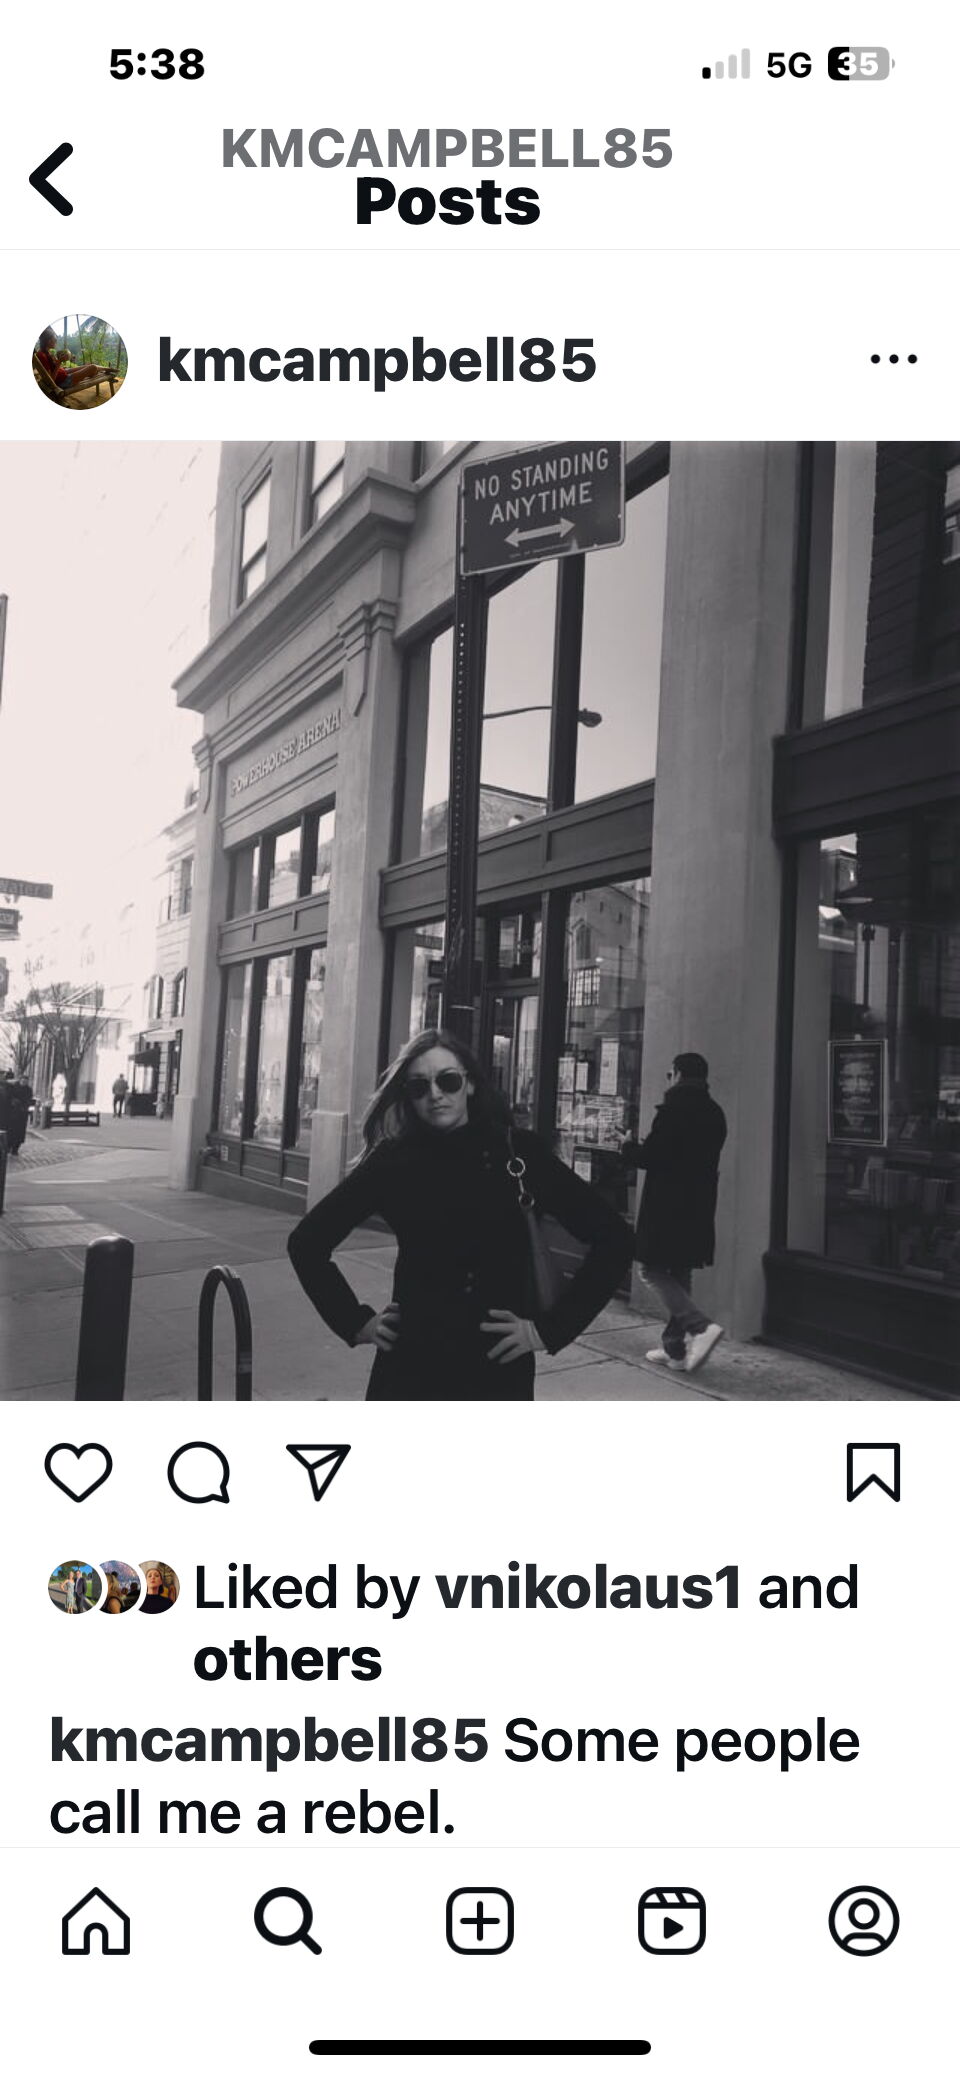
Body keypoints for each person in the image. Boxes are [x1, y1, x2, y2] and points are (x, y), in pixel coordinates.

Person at [287, 1028, 634, 1402]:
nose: (435, 1094)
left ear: (469, 1084)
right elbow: (307, 1243)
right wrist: (356, 1322)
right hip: (412, 1365)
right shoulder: (393, 1162)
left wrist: (549, 1330)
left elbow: (614, 1239)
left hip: (495, 1367)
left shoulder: (518, 1154)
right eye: (419, 1086)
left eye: (448, 1080)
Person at [619, 1052, 728, 1374]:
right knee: (680, 1272)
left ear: (678, 1074)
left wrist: (628, 1146)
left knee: (650, 1270)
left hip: (667, 1205)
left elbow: (651, 1157)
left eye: (670, 1074)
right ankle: (675, 1350)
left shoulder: (672, 1111)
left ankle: (700, 1327)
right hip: (698, 1204)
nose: (668, 1079)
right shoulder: (715, 1113)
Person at [35, 326, 109, 396]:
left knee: (88, 366)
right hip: (63, 381)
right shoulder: (41, 355)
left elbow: (53, 368)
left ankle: (105, 369)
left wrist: (58, 361)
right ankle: (105, 369)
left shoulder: (46, 352)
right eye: (55, 339)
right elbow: (51, 380)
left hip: (63, 373)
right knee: (93, 367)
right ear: (49, 341)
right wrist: (59, 362)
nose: (56, 341)